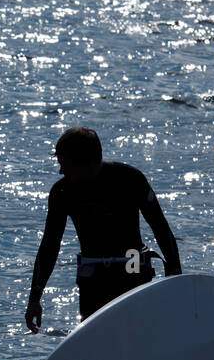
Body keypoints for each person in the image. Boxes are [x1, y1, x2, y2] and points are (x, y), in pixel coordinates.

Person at [25, 127, 182, 331]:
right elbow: (49, 246)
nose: (61, 171)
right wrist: (34, 299)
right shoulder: (62, 192)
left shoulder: (129, 179)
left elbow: (160, 228)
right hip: (93, 280)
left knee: (135, 335)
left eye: (65, 164)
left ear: (86, 162)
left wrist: (176, 277)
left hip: (132, 270)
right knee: (97, 340)